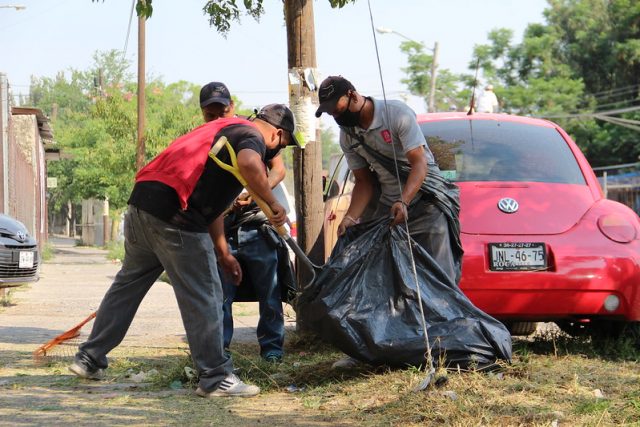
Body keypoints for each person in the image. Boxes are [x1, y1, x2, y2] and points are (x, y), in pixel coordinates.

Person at [69, 80, 299, 398]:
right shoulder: (250, 135)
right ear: (277, 134)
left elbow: (212, 209)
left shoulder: (220, 132)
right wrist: (273, 205)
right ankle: (216, 377)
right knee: (206, 294)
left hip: (142, 205)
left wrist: (223, 253)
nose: (276, 152)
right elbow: (250, 163)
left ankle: (89, 357)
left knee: (127, 285)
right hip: (176, 216)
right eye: (282, 145)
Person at [314, 75, 463, 368]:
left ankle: (448, 349)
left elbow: (419, 164)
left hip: (426, 202)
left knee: (440, 278)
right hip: (389, 210)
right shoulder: (348, 136)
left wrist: (404, 201)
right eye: (329, 111)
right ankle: (380, 350)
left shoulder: (396, 115)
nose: (334, 115)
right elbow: (364, 183)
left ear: (353, 95)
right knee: (380, 279)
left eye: (336, 107)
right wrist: (351, 217)